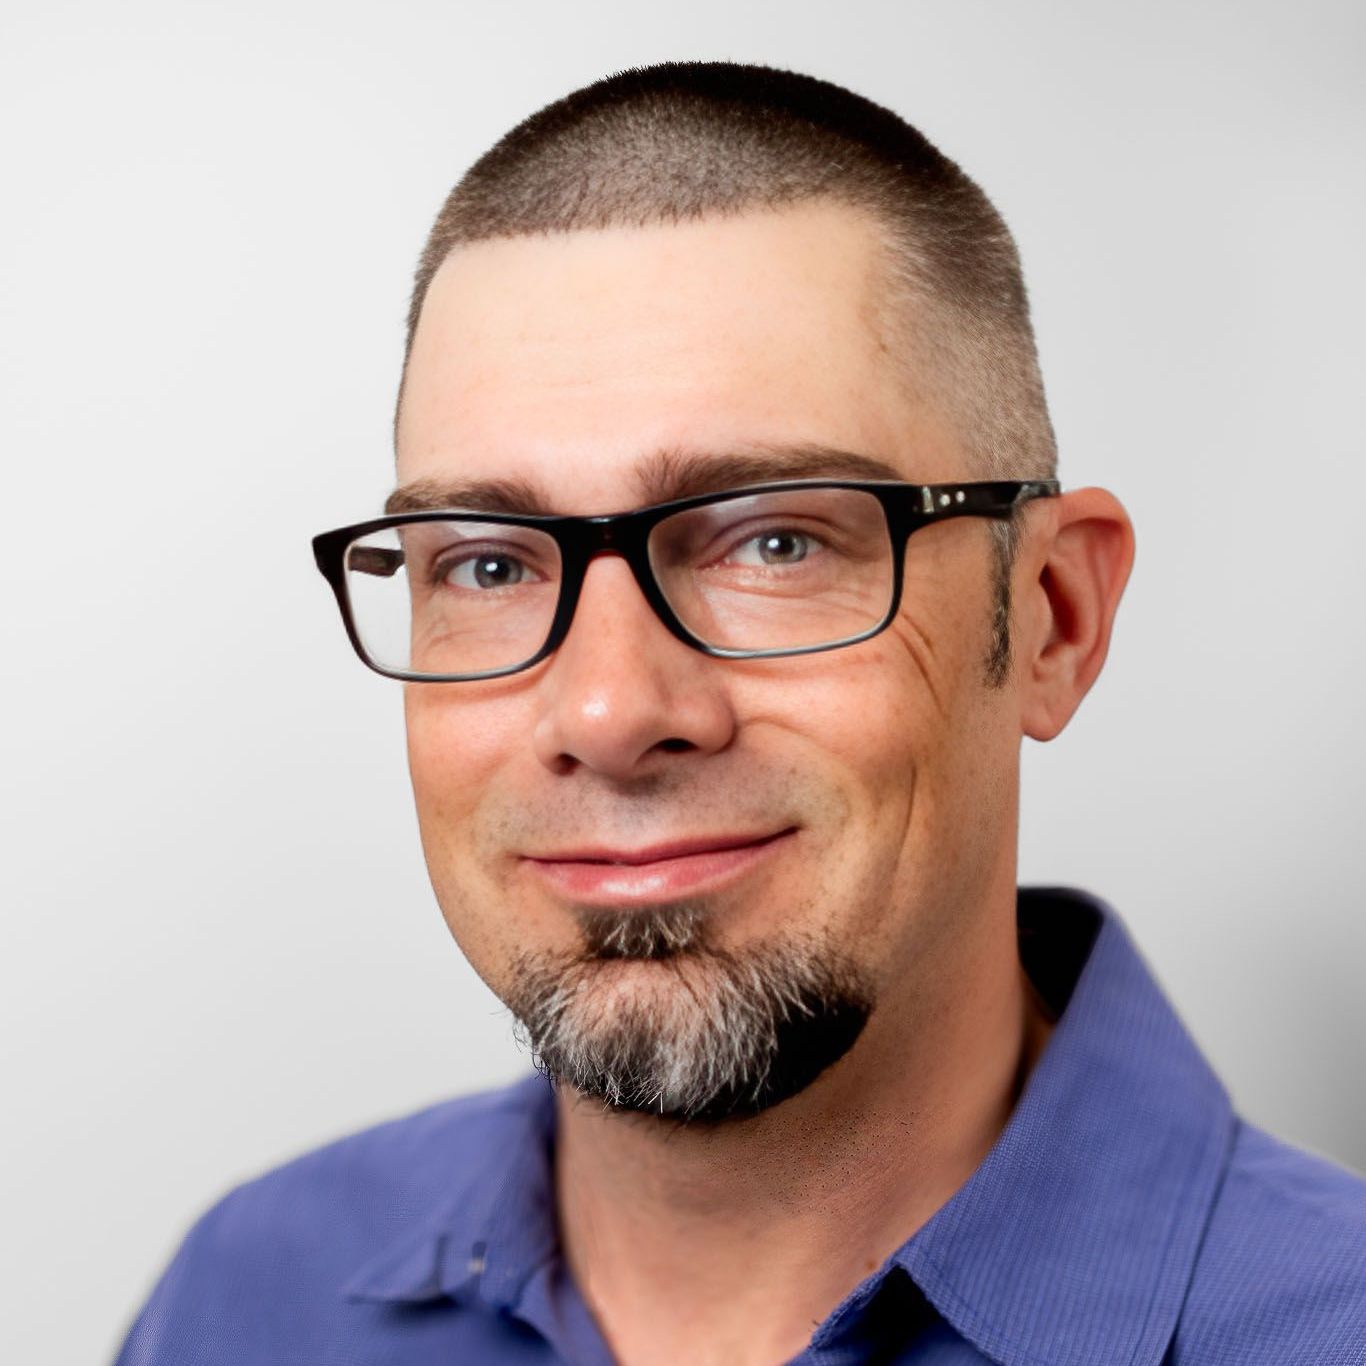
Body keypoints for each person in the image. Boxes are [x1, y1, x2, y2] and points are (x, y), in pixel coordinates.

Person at [114, 61, 1366, 1366]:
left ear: (1050, 615)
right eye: (487, 563)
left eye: (772, 541)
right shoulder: (250, 1297)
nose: (606, 708)